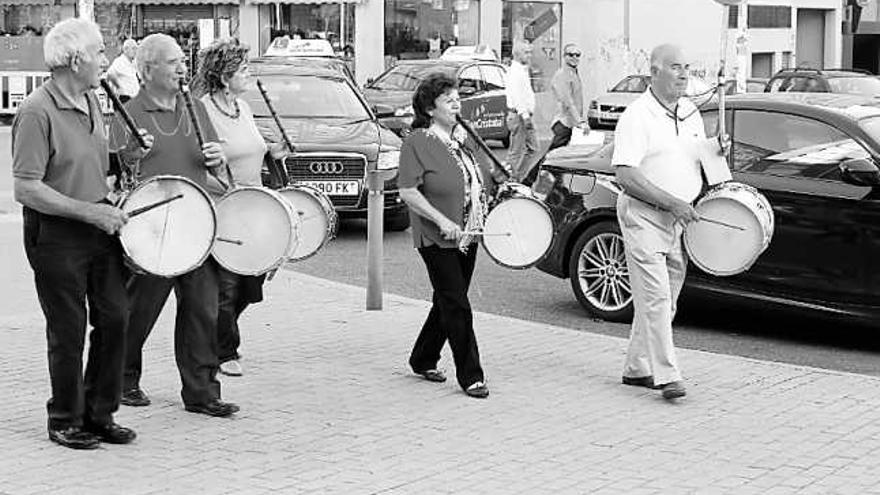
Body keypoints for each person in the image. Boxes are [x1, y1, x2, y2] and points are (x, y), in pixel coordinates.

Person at [12, 18, 148, 449]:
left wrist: (122, 155)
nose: (106, 59)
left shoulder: (91, 99)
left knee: (115, 318)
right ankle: (65, 419)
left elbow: (89, 160)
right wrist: (90, 213)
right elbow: (26, 187)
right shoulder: (36, 110)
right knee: (68, 329)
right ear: (75, 60)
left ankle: (99, 413)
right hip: (57, 232)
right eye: (99, 51)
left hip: (97, 222)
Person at [115, 33, 240, 417]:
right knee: (140, 310)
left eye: (183, 61)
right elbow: (119, 170)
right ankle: (122, 379)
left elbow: (217, 169)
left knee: (203, 309)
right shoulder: (129, 113)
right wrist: (130, 155)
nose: (182, 68)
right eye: (173, 62)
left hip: (195, 223)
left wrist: (218, 158)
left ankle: (202, 392)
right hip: (152, 228)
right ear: (147, 69)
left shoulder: (196, 109)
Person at [613, 44, 710, 401]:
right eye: (675, 68)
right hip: (644, 215)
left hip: (677, 219)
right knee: (655, 296)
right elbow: (625, 174)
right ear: (654, 72)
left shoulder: (689, 111)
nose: (684, 74)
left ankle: (637, 367)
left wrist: (716, 150)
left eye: (687, 67)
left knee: (665, 299)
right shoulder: (637, 115)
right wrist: (672, 202)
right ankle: (667, 376)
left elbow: (695, 158)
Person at [398, 73, 498, 399]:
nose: (456, 102)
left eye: (457, 96)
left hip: (467, 234)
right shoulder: (418, 142)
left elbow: (473, 184)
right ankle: (471, 375)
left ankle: (423, 357)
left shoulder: (460, 139)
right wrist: (441, 220)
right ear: (429, 108)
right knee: (457, 303)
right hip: (436, 237)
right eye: (447, 98)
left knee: (446, 300)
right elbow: (408, 191)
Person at [193, 38, 288, 377]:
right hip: (224, 208)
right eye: (243, 70)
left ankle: (214, 336)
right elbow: (198, 163)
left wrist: (272, 153)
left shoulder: (243, 108)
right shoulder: (202, 110)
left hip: (255, 207)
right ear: (223, 76)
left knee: (252, 282)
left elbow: (252, 149)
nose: (249, 75)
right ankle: (223, 350)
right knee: (228, 284)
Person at [504, 40, 537, 182]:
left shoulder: (521, 70)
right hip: (519, 116)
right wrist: (525, 116)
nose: (529, 55)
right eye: (526, 52)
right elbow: (518, 97)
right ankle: (510, 180)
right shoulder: (516, 72)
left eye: (530, 52)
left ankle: (516, 178)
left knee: (533, 148)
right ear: (517, 54)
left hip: (522, 115)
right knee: (516, 152)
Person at [548, 43, 586, 152]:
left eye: (577, 55)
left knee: (562, 157)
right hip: (563, 123)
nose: (575, 58)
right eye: (571, 54)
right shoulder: (562, 75)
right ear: (564, 56)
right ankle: (536, 170)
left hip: (571, 123)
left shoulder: (573, 73)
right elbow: (568, 102)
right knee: (552, 156)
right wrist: (580, 122)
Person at [107, 38, 139, 103]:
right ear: (125, 50)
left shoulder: (132, 63)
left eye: (136, 48)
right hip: (124, 98)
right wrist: (119, 87)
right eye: (133, 48)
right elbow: (110, 74)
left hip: (134, 98)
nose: (135, 51)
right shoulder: (119, 62)